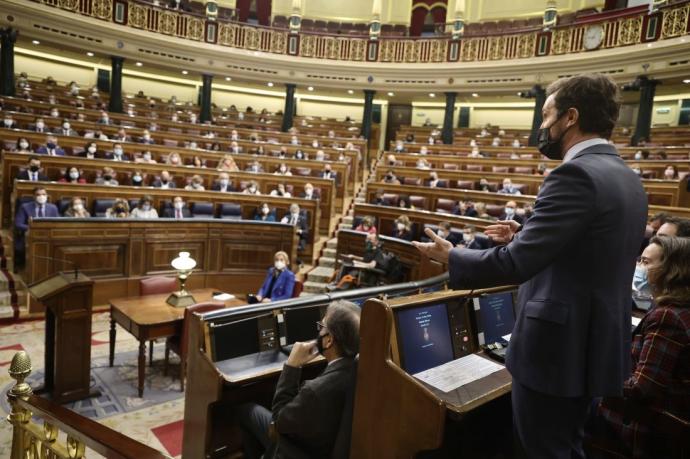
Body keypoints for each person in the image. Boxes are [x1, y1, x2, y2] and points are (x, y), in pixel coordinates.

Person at [413, 73, 648, 458]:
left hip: (556, 350)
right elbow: (588, 251)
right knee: (568, 445)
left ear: (570, 117)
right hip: (594, 345)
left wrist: (451, 255)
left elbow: (516, 265)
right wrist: (525, 234)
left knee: (545, 450)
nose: (541, 127)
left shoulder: (574, 174)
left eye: (546, 115)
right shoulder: (627, 178)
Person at [588, 236, 690, 458]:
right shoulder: (678, 307)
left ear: (672, 270)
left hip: (647, 428)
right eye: (639, 260)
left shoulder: (667, 316)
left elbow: (641, 389)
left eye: (646, 262)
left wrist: (591, 370)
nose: (639, 268)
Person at [236, 300, 360, 459]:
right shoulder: (361, 369)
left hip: (299, 451)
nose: (318, 332)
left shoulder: (315, 391)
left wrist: (292, 365)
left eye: (321, 327)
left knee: (247, 410)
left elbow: (278, 423)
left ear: (329, 340)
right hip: (325, 445)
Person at [14, 187, 60, 269]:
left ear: (47, 196)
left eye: (43, 194)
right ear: (33, 196)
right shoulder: (25, 207)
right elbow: (18, 224)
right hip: (30, 235)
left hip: (48, 236)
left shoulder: (53, 208)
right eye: (38, 194)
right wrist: (33, 228)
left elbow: (58, 223)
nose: (41, 196)